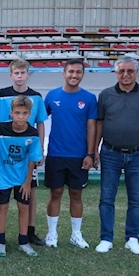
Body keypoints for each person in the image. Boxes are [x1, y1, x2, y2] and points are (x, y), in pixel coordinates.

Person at [94, 57, 139, 255]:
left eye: (130, 71)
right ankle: (106, 238)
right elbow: (99, 124)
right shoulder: (105, 95)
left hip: (138, 153)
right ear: (115, 73)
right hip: (109, 152)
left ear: (137, 72)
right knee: (106, 198)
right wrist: (94, 150)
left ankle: (133, 238)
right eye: (121, 71)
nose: (126, 75)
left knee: (136, 199)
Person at [43, 58, 98, 249]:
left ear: (82, 74)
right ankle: (52, 234)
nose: (74, 75)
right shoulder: (51, 96)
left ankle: (76, 234)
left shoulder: (90, 98)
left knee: (76, 194)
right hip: (55, 154)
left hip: (79, 155)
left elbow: (92, 127)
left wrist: (90, 154)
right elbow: (40, 120)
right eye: (71, 71)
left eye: (78, 72)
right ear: (64, 73)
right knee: (55, 193)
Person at [0, 59, 49, 247]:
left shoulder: (36, 96)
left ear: (27, 74)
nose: (19, 76)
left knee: (30, 192)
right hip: (6, 150)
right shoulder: (2, 95)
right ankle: (0, 237)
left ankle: (30, 232)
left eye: (22, 73)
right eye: (16, 73)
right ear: (11, 74)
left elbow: (41, 122)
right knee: (4, 199)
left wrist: (41, 150)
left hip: (28, 148)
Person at [0, 96, 43, 257]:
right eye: (17, 113)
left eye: (24, 113)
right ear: (11, 113)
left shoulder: (33, 133)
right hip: (3, 175)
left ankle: (24, 241)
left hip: (22, 177)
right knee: (3, 206)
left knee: (24, 207)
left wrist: (28, 182)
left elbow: (32, 158)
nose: (20, 116)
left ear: (30, 114)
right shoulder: (0, 129)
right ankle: (0, 241)